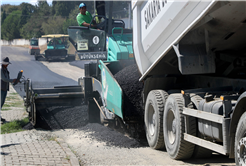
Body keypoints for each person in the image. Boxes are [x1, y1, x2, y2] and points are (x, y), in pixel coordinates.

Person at [0, 57, 17, 122]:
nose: (7, 65)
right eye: (6, 64)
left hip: (4, 88)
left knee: (1, 103)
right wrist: (13, 80)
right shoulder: (1, 69)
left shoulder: (5, 69)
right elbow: (4, 79)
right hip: (1, 88)